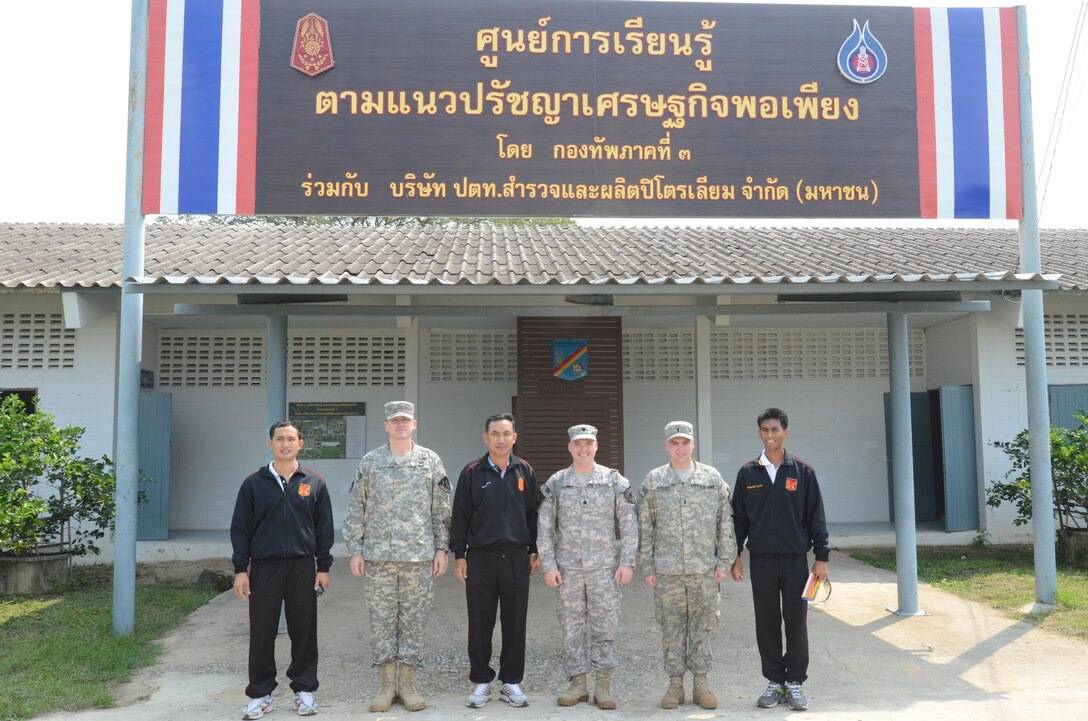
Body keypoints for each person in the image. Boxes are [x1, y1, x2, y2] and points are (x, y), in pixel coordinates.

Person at [342, 401, 451, 713]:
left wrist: (441, 548)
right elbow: (356, 507)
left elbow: (442, 509)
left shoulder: (430, 460)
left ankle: (408, 685)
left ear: (414, 425)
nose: (401, 425)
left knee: (414, 622)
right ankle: (386, 687)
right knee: (382, 622)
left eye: (406, 420)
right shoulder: (370, 462)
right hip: (379, 558)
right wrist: (355, 550)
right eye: (395, 420)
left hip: (419, 558)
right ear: (386, 426)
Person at [231, 421, 334, 720]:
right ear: (270, 444)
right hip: (265, 567)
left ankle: (304, 690)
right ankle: (260, 694)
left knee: (304, 630)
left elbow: (324, 527)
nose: (285, 444)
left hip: (303, 566)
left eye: (291, 439)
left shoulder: (314, 482)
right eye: (279, 439)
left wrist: (323, 566)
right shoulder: (253, 483)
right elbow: (241, 529)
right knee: (262, 631)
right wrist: (241, 569)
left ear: (300, 443)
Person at [730, 408, 829, 711]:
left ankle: (795, 682)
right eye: (765, 430)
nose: (770, 435)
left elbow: (816, 516)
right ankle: (775, 681)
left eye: (775, 429)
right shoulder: (748, 473)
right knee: (767, 621)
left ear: (786, 432)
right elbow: (739, 520)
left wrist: (822, 557)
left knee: (796, 621)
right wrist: (735, 555)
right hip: (761, 561)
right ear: (759, 433)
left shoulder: (803, 472)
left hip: (795, 561)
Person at [636, 420, 736, 710]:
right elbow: (645, 526)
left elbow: (724, 523)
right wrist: (647, 566)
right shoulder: (654, 480)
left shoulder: (711, 478)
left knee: (703, 627)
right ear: (666, 445)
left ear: (693, 444)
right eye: (674, 443)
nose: (680, 448)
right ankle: (675, 686)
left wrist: (725, 562)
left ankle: (701, 685)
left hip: (704, 570)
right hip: (667, 572)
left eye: (684, 443)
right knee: (672, 629)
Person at [537, 424, 638, 710]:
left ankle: (603, 685)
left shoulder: (614, 480)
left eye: (588, 444)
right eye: (578, 444)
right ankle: (578, 684)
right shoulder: (557, 482)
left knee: (605, 625)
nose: (583, 449)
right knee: (572, 627)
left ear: (596, 446)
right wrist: (548, 565)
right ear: (570, 447)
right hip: (568, 570)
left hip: (604, 569)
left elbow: (629, 524)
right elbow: (544, 526)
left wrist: (627, 561)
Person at [450, 413, 542, 708]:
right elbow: (460, 515)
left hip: (516, 558)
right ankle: (481, 682)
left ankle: (511, 682)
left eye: (506, 434)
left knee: (515, 622)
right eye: (495, 434)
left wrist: (534, 550)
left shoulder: (524, 471)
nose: (501, 440)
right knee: (480, 622)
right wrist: (460, 554)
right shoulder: (472, 472)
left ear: (514, 437)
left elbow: (533, 514)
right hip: (481, 559)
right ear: (485, 437)